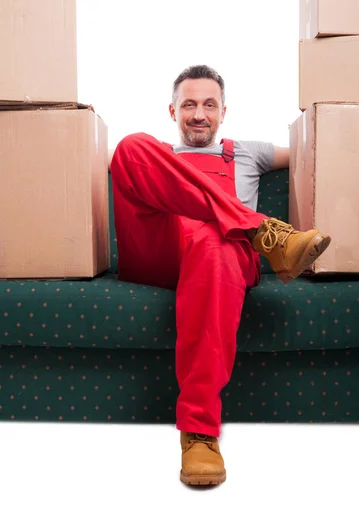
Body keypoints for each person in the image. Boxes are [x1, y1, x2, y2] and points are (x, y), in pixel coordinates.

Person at [109, 65, 331, 487]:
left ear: (223, 111)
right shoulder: (162, 154)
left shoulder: (248, 151)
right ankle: (262, 232)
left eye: (209, 105)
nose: (198, 114)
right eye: (188, 105)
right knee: (131, 146)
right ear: (172, 111)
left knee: (214, 240)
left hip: (221, 263)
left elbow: (317, 144)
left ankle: (199, 433)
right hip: (163, 253)